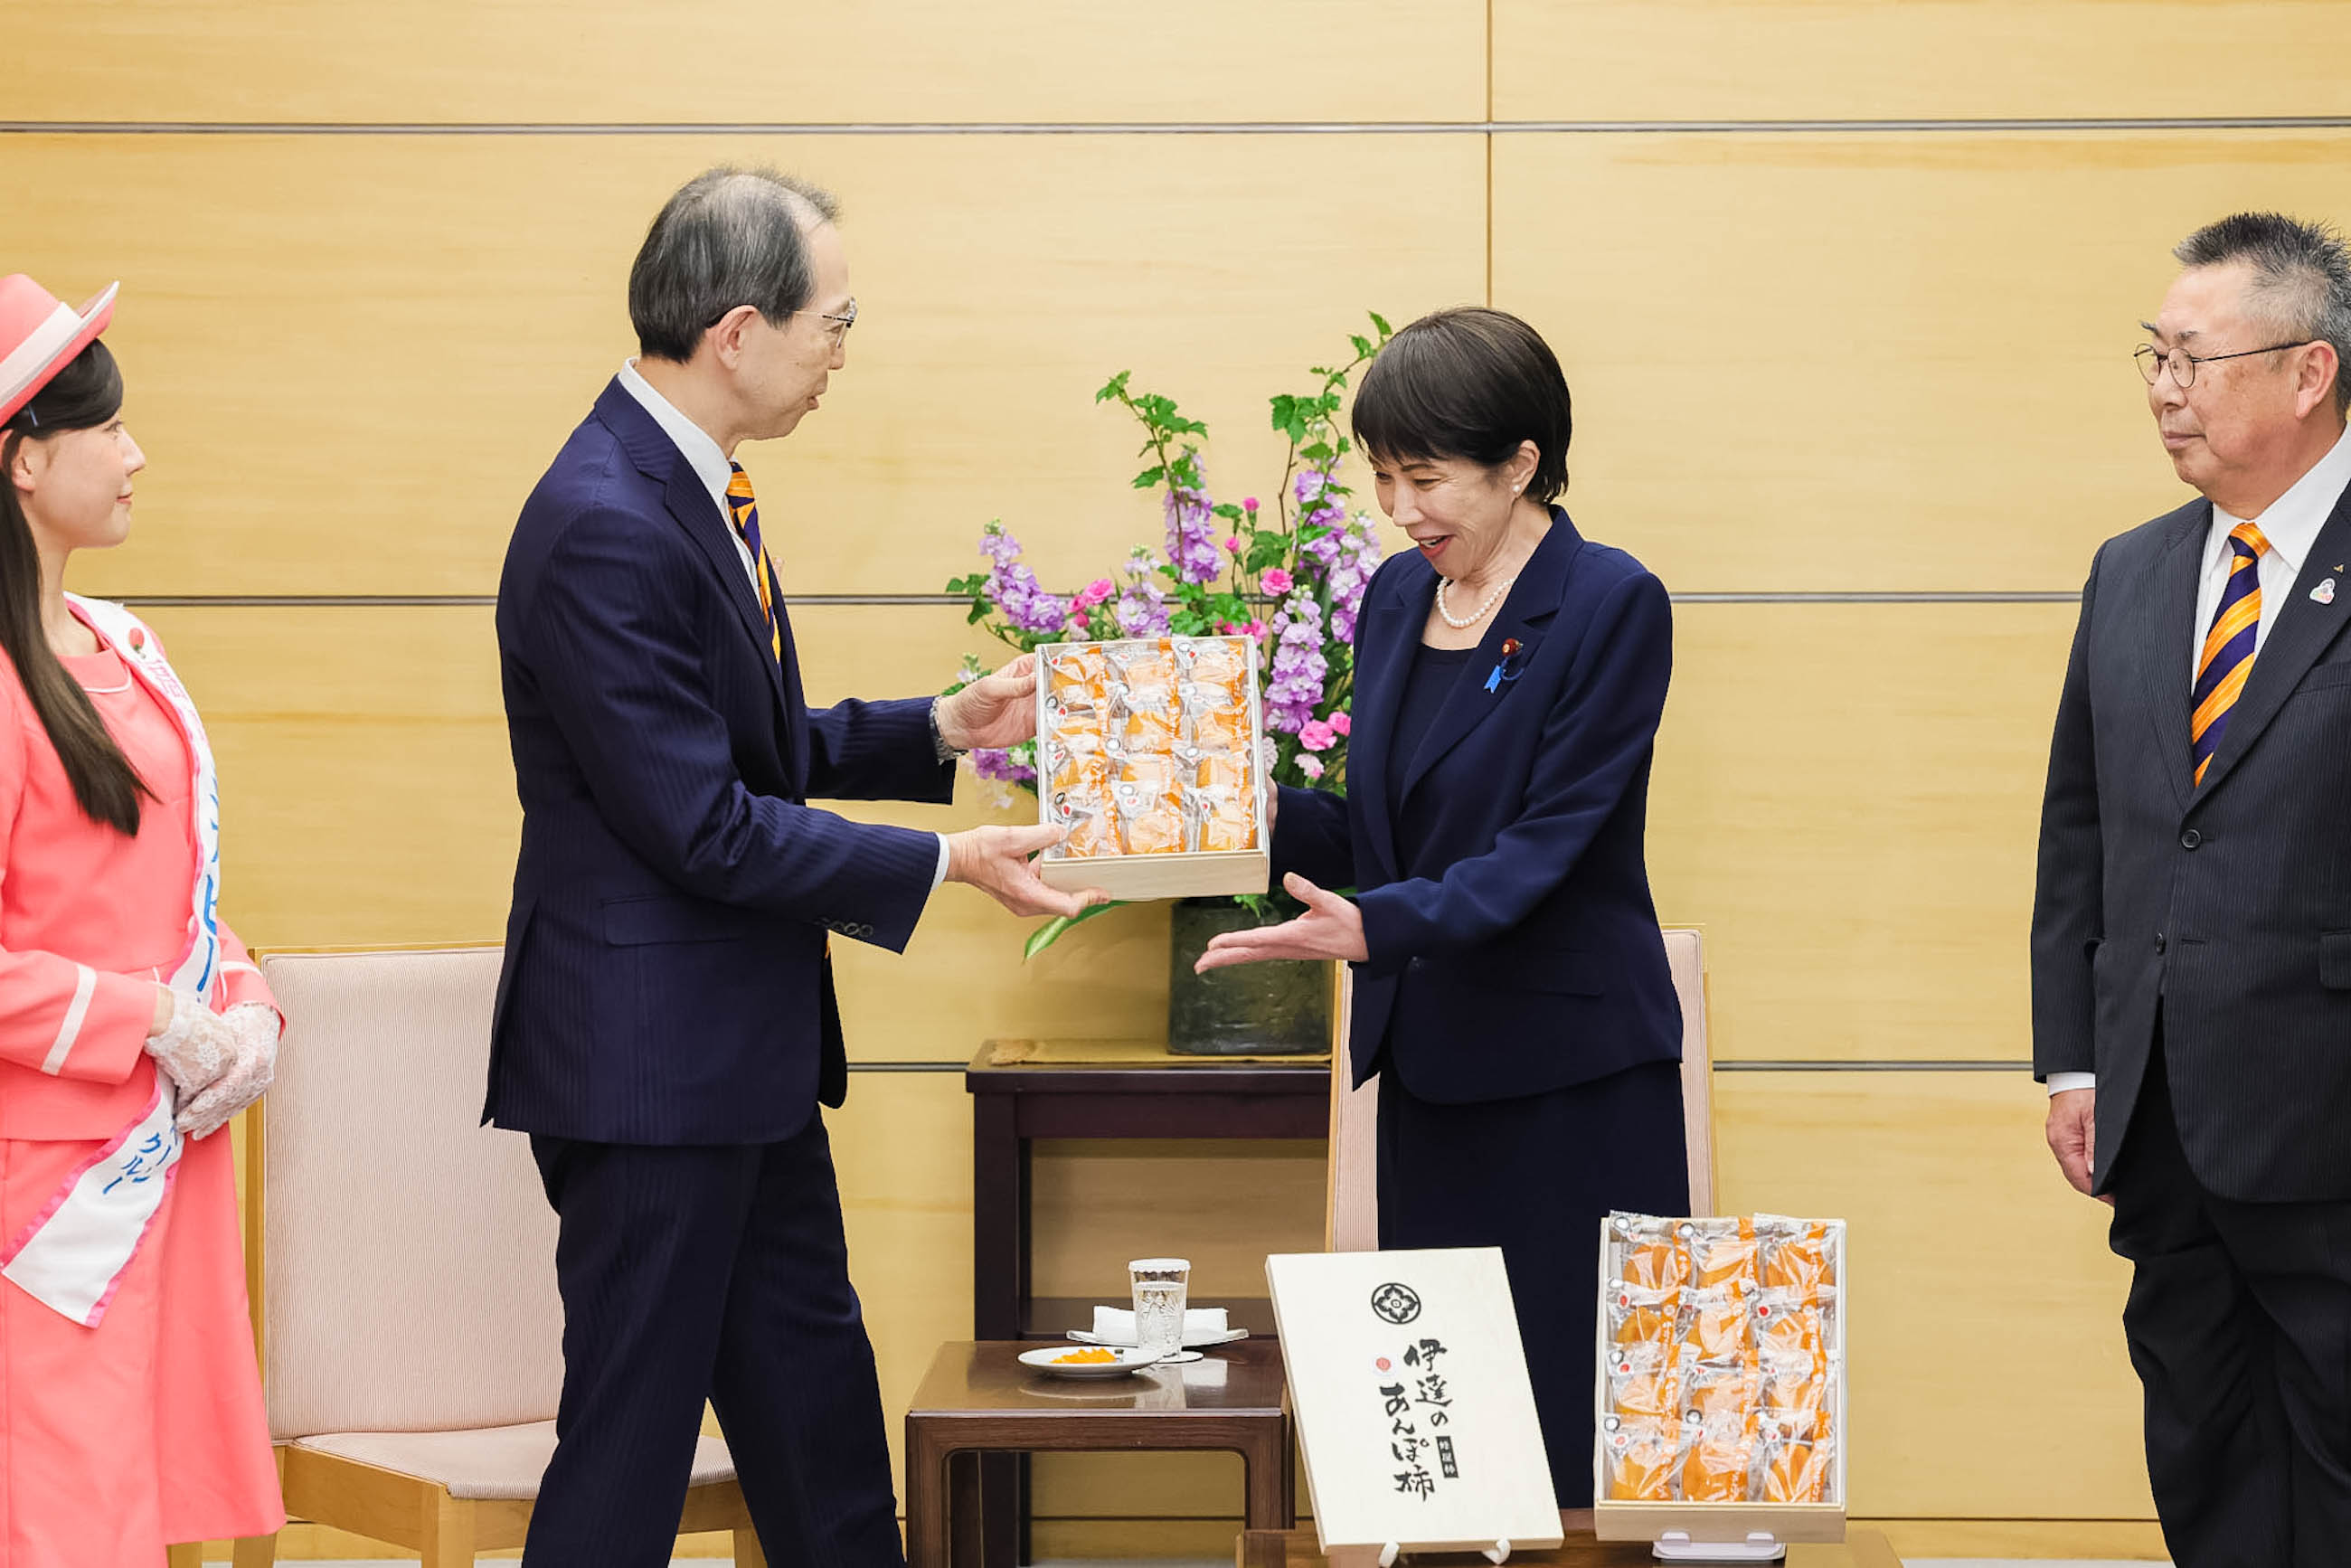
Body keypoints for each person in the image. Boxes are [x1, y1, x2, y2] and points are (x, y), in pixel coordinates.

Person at [488, 166, 1101, 1566]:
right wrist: (945, 862)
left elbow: (748, 745)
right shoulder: (605, 517)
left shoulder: (688, 486)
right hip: (647, 1075)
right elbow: (700, 823)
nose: (841, 356)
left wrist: (941, 726)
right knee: (628, 1455)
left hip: (737, 1061)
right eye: (836, 325)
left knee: (821, 1432)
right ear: (740, 330)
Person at [1197, 305, 1688, 1504]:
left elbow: (1545, 847)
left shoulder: (1611, 602)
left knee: (1572, 1437)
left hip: (1572, 1084)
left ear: (1521, 462)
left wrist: (1376, 924)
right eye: (1382, 477)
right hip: (1433, 1071)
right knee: (1451, 1442)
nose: (1402, 507)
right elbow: (1383, 828)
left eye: (1428, 477)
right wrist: (1217, 807)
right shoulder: (1394, 601)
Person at [2031, 211, 2351, 1565]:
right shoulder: (2137, 569)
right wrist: (2070, 1061)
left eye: (2196, 358)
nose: (2166, 387)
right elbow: (2080, 828)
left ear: (2309, 372)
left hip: (2329, 1110)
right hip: (2162, 1113)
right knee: (2204, 1445)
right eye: (2153, 357)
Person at [0, 275, 283, 1564]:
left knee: (136, 1522)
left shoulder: (122, 645)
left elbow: (180, 904)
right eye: (105, 425)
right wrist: (149, 1016)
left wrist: (246, 1007)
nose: (136, 452)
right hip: (46, 1197)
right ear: (22, 461)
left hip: (165, 1161)